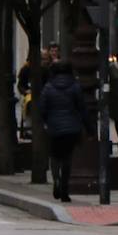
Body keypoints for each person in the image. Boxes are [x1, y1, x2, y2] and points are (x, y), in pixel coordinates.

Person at [40, 60, 85, 202]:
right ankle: (64, 190)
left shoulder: (48, 87)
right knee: (67, 158)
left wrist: (46, 121)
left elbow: (42, 108)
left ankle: (56, 179)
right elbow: (82, 108)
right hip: (71, 128)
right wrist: (88, 127)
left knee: (54, 156)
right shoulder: (75, 87)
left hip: (54, 127)